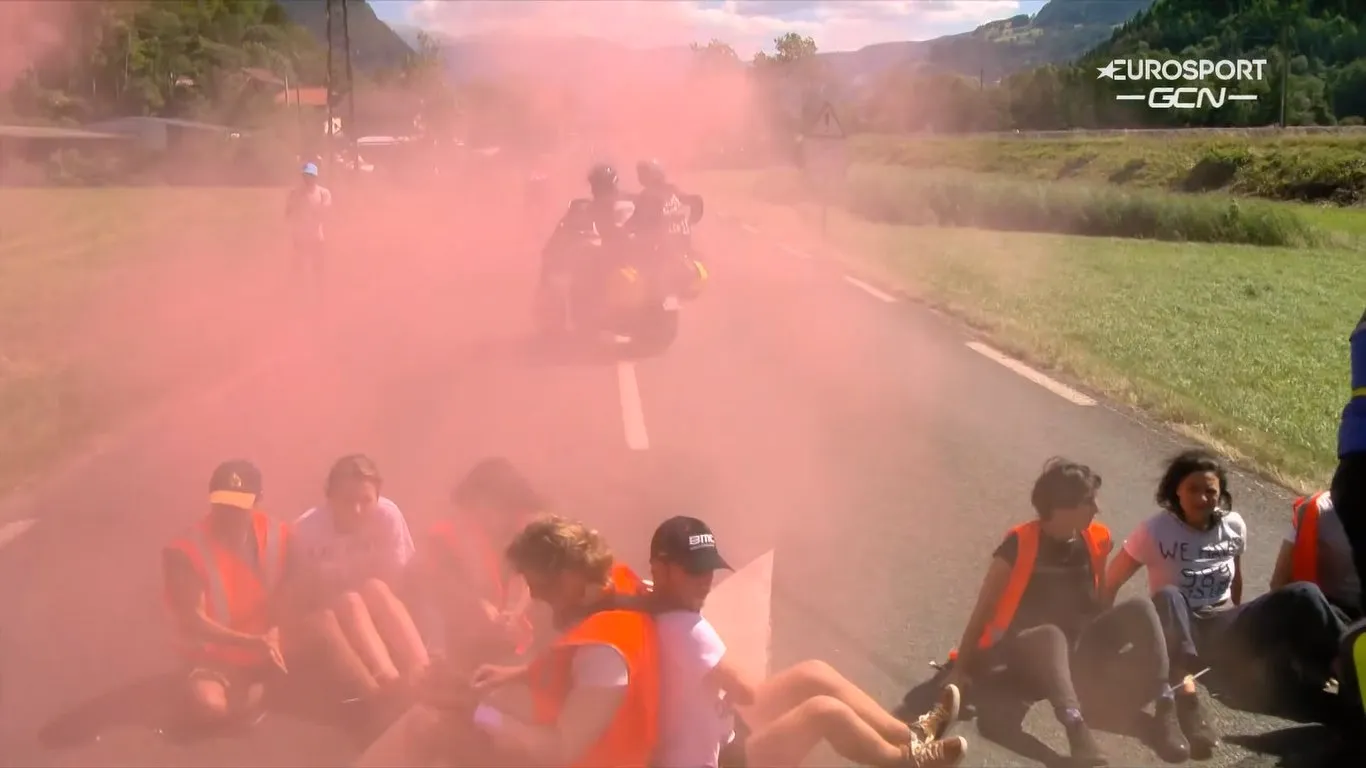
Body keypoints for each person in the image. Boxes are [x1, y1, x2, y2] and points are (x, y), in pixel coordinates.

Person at [646, 516, 966, 768]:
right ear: (660, 569)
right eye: (693, 571)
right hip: (722, 760)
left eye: (708, 570)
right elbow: (748, 690)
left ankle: (912, 735)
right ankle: (905, 761)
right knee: (823, 711)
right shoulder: (687, 629)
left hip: (721, 729)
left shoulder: (651, 603)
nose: (705, 580)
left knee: (813, 673)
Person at [353, 514, 659, 768]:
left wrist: (476, 710)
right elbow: (570, 671)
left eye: (539, 585)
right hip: (560, 738)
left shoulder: (605, 655)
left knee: (431, 730)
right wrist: (514, 675)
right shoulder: (612, 580)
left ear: (569, 577)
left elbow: (559, 751)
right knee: (430, 719)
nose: (536, 596)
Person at [1104, 449, 1350, 757]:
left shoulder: (1233, 526)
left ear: (1221, 495)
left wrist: (1243, 625)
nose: (1202, 498)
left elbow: (1236, 580)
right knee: (1168, 595)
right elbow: (1112, 579)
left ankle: (1355, 672)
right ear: (1175, 489)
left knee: (1303, 594)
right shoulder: (1154, 530)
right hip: (1178, 624)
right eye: (1193, 489)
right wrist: (1097, 629)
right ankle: (1185, 698)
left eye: (1211, 491)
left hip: (1223, 627)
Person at [946, 457, 1187, 766]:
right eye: (1089, 501)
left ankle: (1165, 708)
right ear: (1062, 506)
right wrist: (960, 668)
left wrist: (1108, 645)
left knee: (1140, 607)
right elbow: (982, 612)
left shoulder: (1096, 539)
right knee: (1051, 634)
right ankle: (1076, 729)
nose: (1097, 508)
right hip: (1025, 655)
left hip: (1078, 652)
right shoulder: (1017, 547)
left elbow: (1099, 600)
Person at [280, 454, 430, 701]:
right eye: (348, 501)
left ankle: (423, 670)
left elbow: (396, 580)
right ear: (330, 498)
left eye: (366, 500)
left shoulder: (388, 516)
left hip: (376, 604)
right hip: (329, 617)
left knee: (375, 588)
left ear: (378, 498)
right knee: (351, 600)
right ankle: (388, 679)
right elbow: (299, 596)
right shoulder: (305, 531)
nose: (357, 510)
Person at [162, 460, 290, 726]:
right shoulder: (186, 551)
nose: (230, 512)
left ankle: (261, 686)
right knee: (213, 708)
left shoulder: (279, 533)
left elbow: (295, 589)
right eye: (222, 504)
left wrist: (277, 630)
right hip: (215, 655)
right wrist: (252, 641)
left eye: (239, 505)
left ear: (259, 499)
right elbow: (193, 621)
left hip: (271, 642)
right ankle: (248, 689)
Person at [423, 457, 545, 665]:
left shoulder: (533, 534)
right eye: (479, 503)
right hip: (464, 635)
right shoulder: (449, 536)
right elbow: (438, 582)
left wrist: (512, 614)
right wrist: (477, 604)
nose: (485, 511)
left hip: (522, 636)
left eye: (495, 504)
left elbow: (530, 581)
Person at [1269, 490, 1361, 620]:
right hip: (1319, 614)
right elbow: (1279, 579)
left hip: (1318, 615)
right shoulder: (1315, 509)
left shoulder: (1316, 508)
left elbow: (1278, 580)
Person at [284, 162, 331, 286]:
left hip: (317, 237)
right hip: (300, 237)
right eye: (305, 175)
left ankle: (321, 293)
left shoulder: (323, 193)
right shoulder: (294, 193)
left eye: (310, 175)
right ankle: (297, 291)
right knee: (298, 267)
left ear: (315, 177)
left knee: (319, 268)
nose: (307, 178)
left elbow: (325, 212)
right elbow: (288, 212)